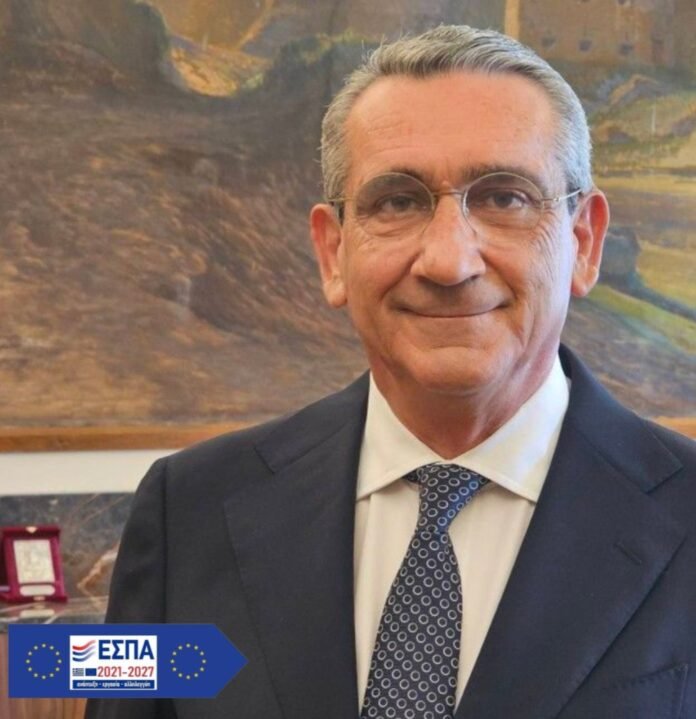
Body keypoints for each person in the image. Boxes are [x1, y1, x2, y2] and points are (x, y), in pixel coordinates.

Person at [86, 25, 696, 719]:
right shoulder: (187, 510)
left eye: (504, 198)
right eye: (398, 202)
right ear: (333, 253)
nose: (449, 261)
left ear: (583, 243)